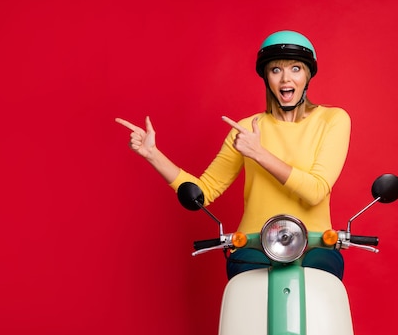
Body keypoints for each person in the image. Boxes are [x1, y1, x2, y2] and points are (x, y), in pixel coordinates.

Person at [115, 30, 350, 279]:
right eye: (276, 70)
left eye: (295, 69)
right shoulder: (246, 128)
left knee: (323, 302)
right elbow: (204, 191)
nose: (285, 79)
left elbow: (315, 191)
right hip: (253, 245)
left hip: (314, 244)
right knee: (243, 308)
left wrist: (259, 153)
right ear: (267, 78)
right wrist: (152, 154)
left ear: (307, 75)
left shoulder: (332, 119)